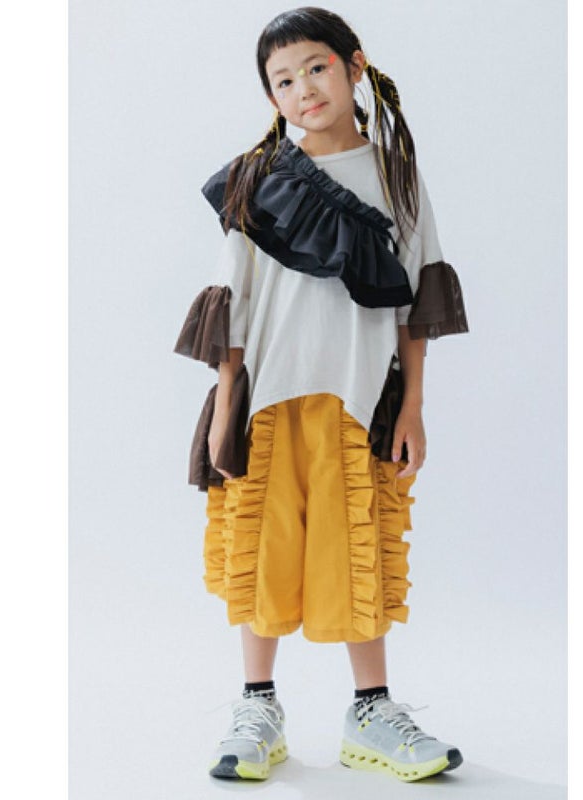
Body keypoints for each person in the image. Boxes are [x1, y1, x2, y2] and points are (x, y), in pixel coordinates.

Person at [174, 5, 469, 783]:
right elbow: (233, 300)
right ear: (271, 97)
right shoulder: (257, 178)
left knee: (357, 548)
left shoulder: (397, 178)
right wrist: (226, 407)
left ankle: (370, 710)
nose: (303, 88)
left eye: (316, 67)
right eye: (283, 80)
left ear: (353, 66)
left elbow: (417, 302)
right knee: (261, 551)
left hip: (360, 399)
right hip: (268, 401)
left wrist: (413, 407)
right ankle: (257, 707)